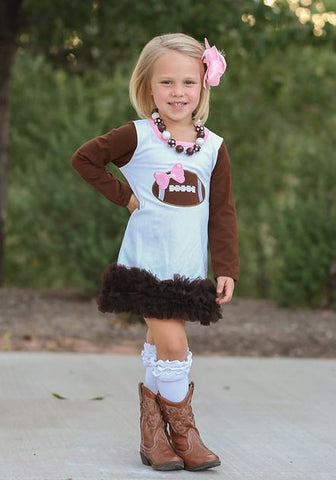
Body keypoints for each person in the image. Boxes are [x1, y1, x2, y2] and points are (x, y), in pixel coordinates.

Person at [71, 33, 239, 472]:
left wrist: (226, 268)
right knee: (175, 345)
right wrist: (125, 196)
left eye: (187, 82)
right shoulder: (138, 135)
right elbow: (85, 159)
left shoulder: (213, 147)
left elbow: (222, 212)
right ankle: (185, 435)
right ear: (148, 87)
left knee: (159, 346)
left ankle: (152, 438)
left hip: (187, 269)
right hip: (145, 264)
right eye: (166, 82)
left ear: (204, 84)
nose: (178, 92)